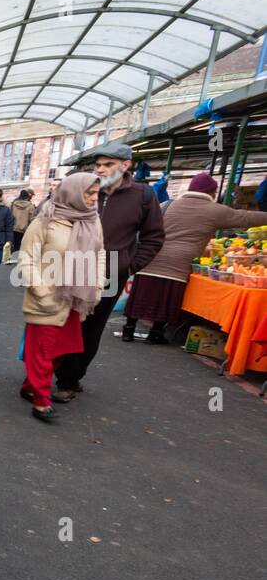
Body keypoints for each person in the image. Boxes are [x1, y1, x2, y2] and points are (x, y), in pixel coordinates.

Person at [53, 141, 165, 398]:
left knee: (90, 327)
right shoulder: (87, 190)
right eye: (98, 165)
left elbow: (154, 237)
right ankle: (51, 371)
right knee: (63, 322)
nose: (100, 170)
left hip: (110, 275)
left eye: (108, 164)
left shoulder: (144, 196)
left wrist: (130, 265)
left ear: (126, 166)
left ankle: (69, 381)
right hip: (73, 269)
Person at [123, 171, 267, 343]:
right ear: (212, 193)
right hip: (179, 262)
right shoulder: (216, 210)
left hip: (151, 258)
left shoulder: (166, 205)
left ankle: (128, 330)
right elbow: (246, 218)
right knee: (166, 296)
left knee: (141, 294)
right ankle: (156, 333)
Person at [18, 173, 106, 422]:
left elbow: (99, 255)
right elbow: (27, 259)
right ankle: (41, 401)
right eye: (88, 193)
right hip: (47, 298)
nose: (93, 198)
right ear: (73, 191)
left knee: (61, 351)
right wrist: (40, 291)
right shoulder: (45, 220)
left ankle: (29, 386)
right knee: (43, 352)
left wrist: (97, 287)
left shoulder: (93, 221)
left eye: (96, 193)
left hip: (75, 300)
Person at [10, 188, 36, 253]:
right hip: (23, 230)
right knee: (20, 247)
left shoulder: (13, 204)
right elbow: (32, 219)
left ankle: (10, 259)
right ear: (28, 196)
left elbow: (10, 215)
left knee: (12, 246)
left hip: (13, 228)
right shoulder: (30, 206)